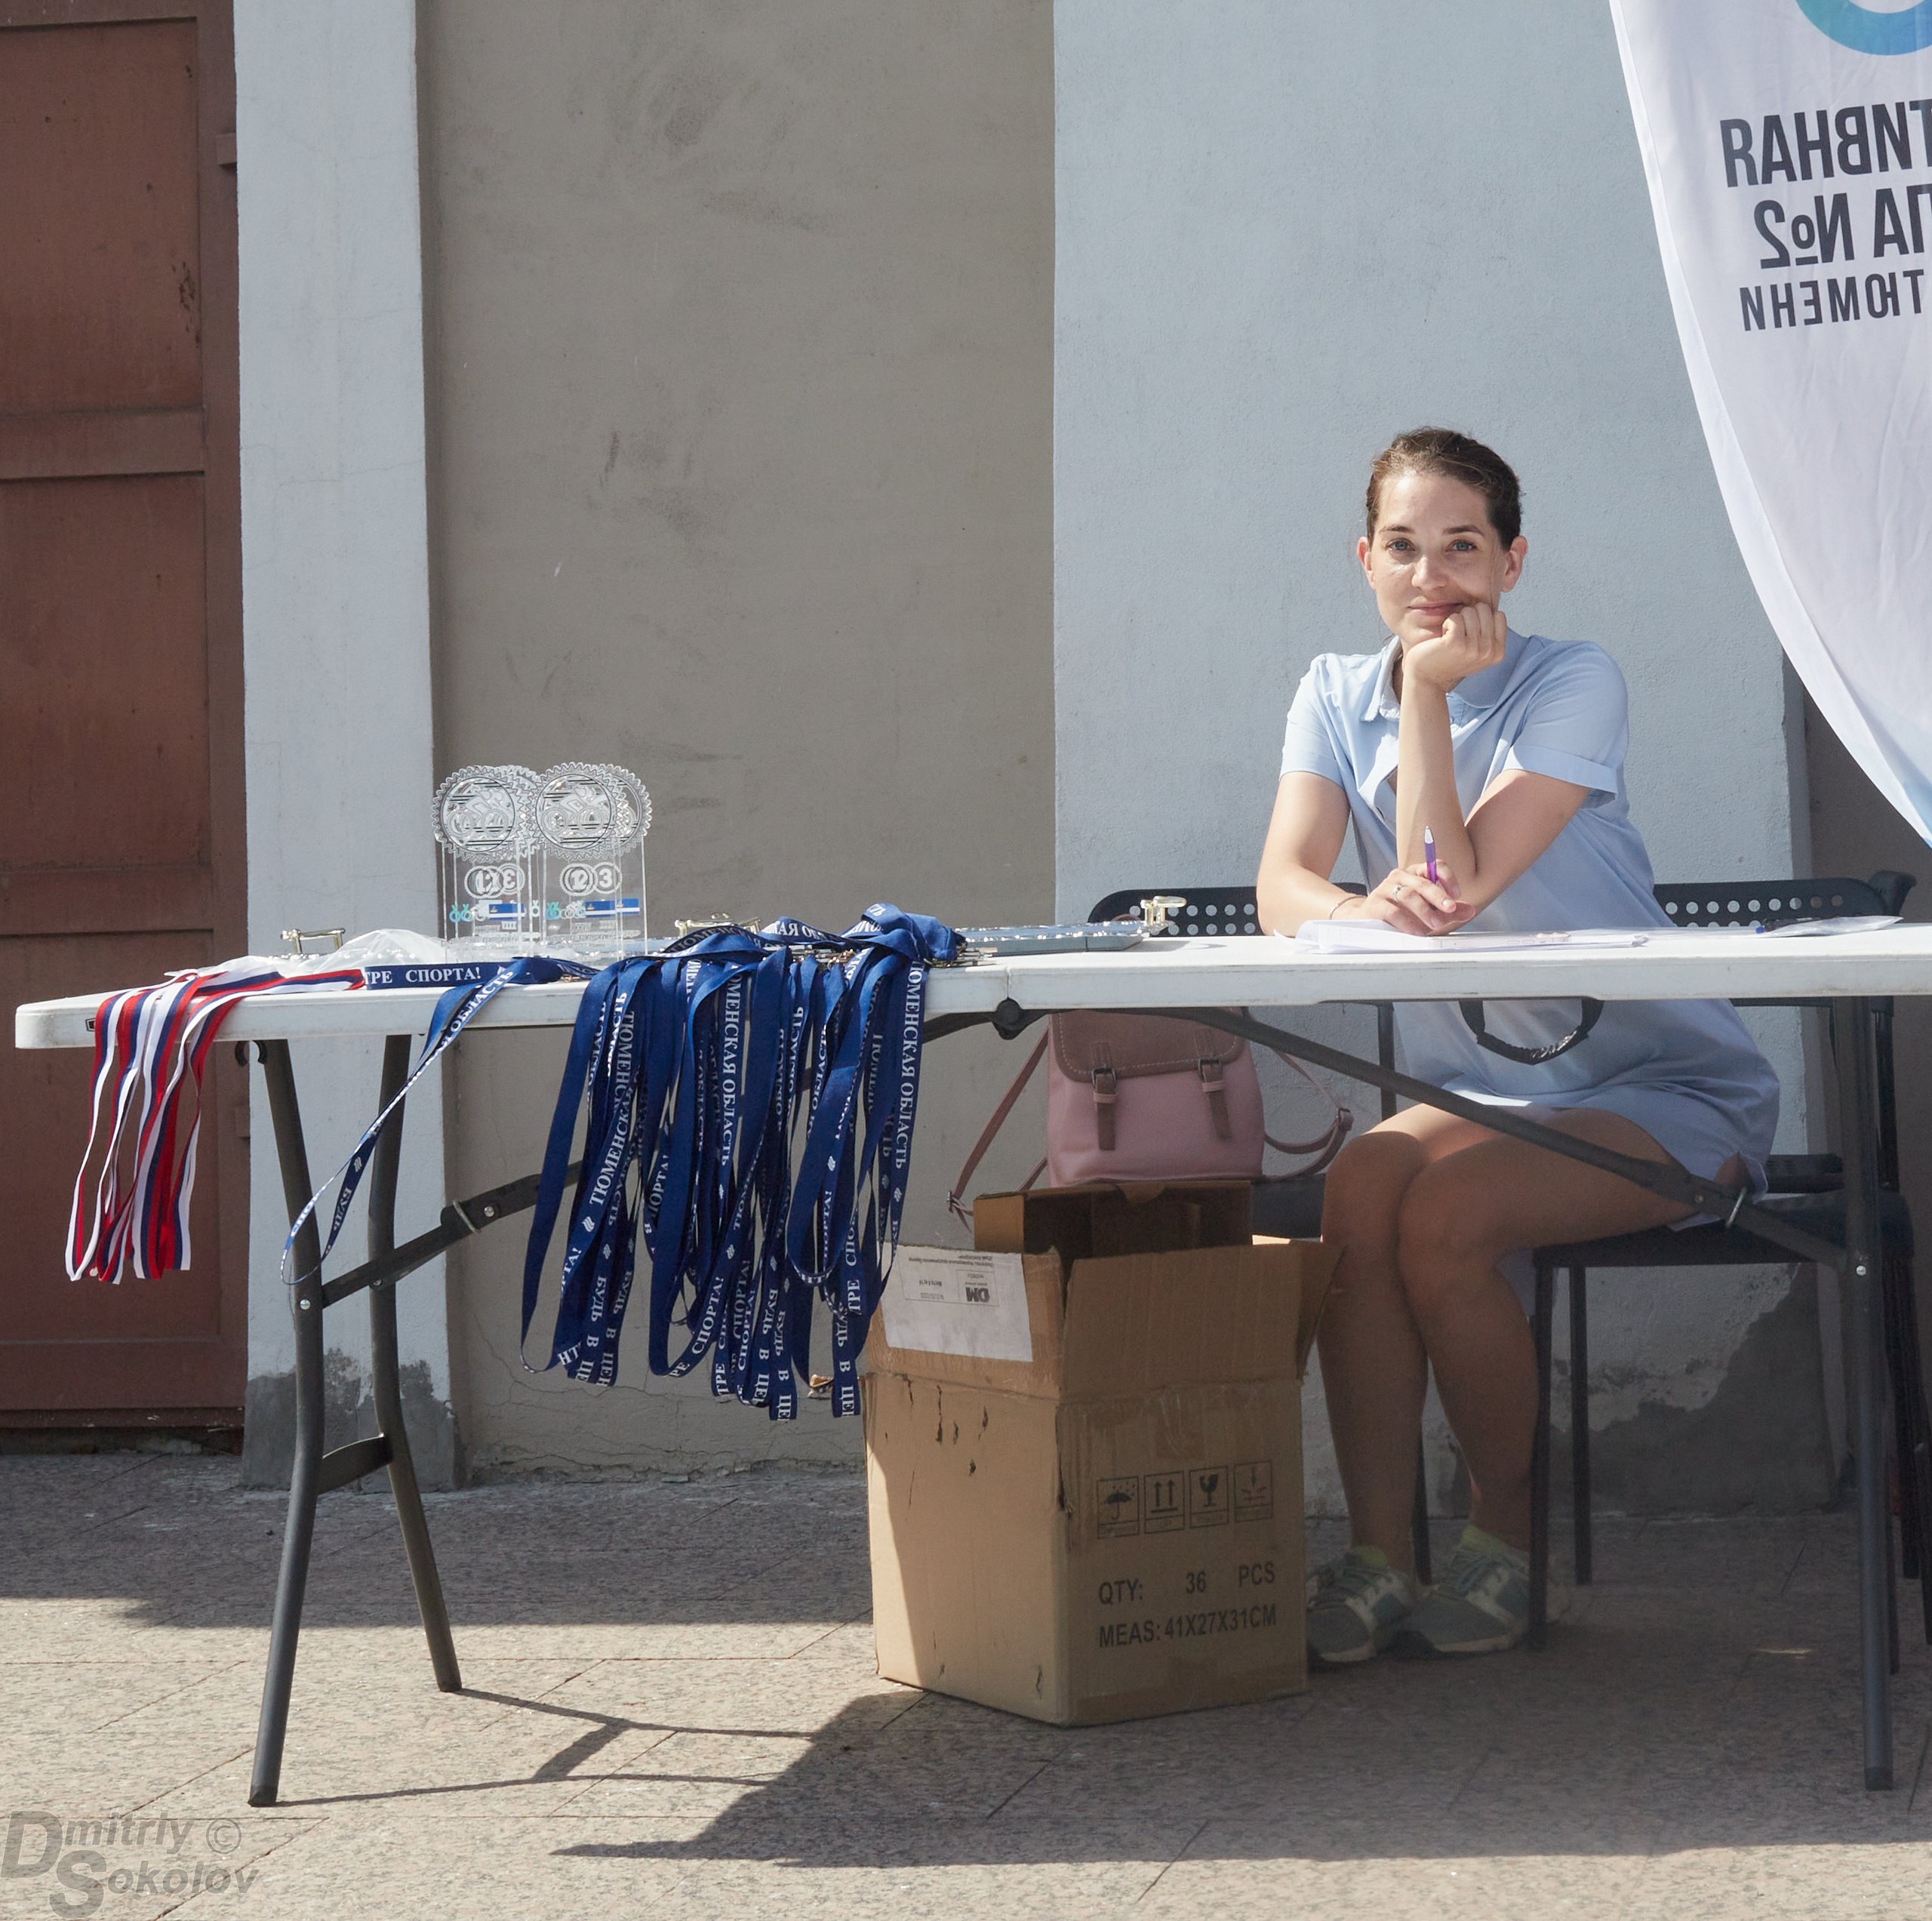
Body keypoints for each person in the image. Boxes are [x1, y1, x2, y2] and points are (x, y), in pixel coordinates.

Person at [1254, 428, 1779, 1661]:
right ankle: (1383, 1556)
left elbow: (1455, 878)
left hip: (1666, 1087)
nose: (1430, 574)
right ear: (1363, 558)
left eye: (1462, 546)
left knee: (1445, 1219)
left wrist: (1429, 694)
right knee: (1362, 1184)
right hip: (1487, 1087)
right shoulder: (1333, 689)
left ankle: (1503, 1543)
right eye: (1402, 546)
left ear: (1513, 559)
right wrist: (1354, 909)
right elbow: (1283, 887)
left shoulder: (1572, 677)